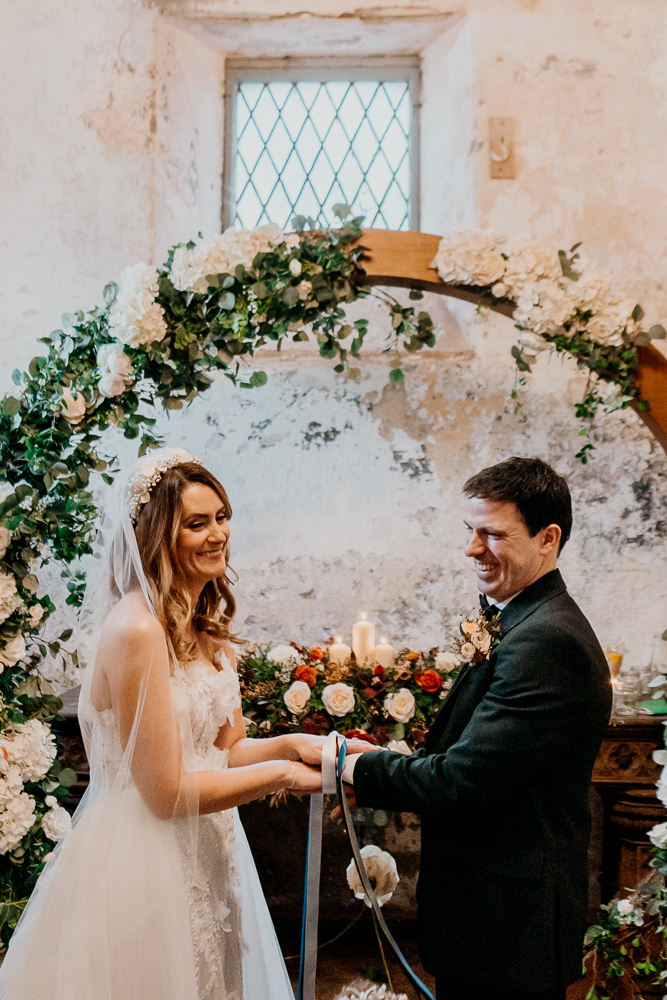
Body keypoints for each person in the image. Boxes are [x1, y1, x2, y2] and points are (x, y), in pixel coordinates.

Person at [0, 447, 373, 1000]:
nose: (218, 534)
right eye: (196, 523)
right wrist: (290, 777)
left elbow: (228, 750)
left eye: (221, 517)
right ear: (156, 535)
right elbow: (165, 790)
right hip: (143, 859)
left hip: (208, 849)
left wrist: (299, 744)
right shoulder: (136, 629)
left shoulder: (207, 624)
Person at [340, 457, 613, 1000]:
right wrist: (370, 762)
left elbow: (460, 780)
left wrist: (350, 769)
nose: (471, 549)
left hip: (512, 925)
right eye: (470, 531)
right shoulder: (521, 617)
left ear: (548, 538)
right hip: (487, 915)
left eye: (492, 534)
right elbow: (469, 748)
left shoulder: (547, 641)